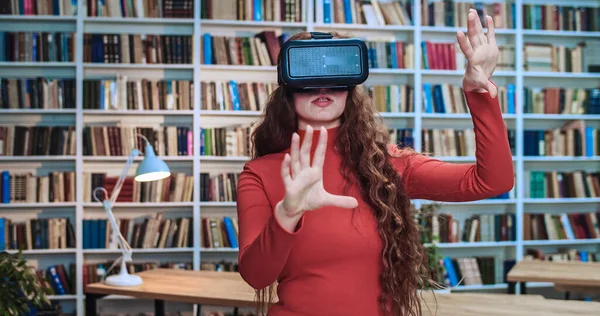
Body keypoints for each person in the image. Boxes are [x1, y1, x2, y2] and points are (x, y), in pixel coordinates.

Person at [236, 8, 514, 316]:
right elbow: (256, 276)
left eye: (336, 75)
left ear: (352, 85)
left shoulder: (388, 166)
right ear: (287, 87)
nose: (323, 87)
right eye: (310, 76)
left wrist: (480, 96)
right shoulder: (259, 175)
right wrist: (287, 215)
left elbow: (492, 181)